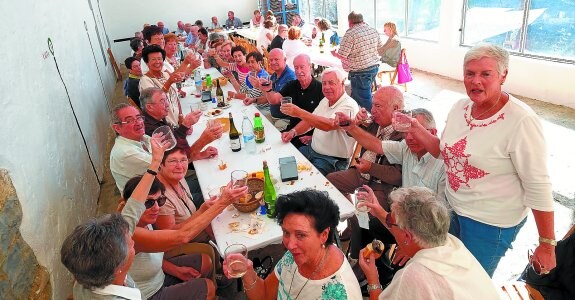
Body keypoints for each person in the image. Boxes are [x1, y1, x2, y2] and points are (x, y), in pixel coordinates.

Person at [408, 43, 556, 276]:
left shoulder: (521, 120)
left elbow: (537, 184)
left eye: (485, 74)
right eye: (470, 73)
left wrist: (547, 243)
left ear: (503, 75)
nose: (476, 81)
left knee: (470, 283)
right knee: (446, 273)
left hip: (490, 223)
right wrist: (416, 129)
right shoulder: (460, 108)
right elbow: (445, 153)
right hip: (452, 208)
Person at [62, 134, 167, 299]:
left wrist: (154, 164)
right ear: (119, 265)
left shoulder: (93, 276)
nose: (132, 239)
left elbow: (132, 210)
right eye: (129, 244)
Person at [358, 186, 500, 299]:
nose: (387, 220)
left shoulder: (415, 275)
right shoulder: (452, 243)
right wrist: (380, 213)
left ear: (407, 236)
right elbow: (401, 230)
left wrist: (373, 278)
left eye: (390, 220)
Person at [120, 175, 248, 300]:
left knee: (206, 262)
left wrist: (176, 270)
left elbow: (155, 252)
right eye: (148, 203)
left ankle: (213, 291)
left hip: (156, 276)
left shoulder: (143, 222)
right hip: (148, 294)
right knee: (207, 287)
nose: (156, 208)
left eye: (160, 201)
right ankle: (211, 293)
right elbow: (182, 236)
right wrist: (222, 203)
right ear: (131, 205)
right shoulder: (131, 232)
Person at [223, 190, 362, 299]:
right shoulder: (296, 255)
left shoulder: (341, 293)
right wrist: (247, 270)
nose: (289, 245)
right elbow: (265, 295)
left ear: (324, 235)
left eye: (301, 235)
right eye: (286, 233)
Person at [326, 86, 404, 257]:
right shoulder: (375, 121)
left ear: (396, 109)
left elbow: (397, 176)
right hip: (361, 173)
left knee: (364, 218)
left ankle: (359, 259)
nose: (372, 110)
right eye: (373, 104)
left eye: (378, 106)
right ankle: (349, 224)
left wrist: (371, 168)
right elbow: (352, 135)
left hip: (381, 185)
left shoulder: (404, 133)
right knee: (329, 182)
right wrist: (355, 123)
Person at [280, 67, 359, 175]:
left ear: (342, 83)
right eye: (324, 83)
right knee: (284, 165)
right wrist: (293, 132)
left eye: (331, 83)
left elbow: (329, 125)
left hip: (331, 161)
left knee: (300, 180)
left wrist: (298, 112)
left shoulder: (349, 105)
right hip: (311, 151)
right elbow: (310, 121)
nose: (326, 87)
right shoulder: (326, 100)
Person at [259, 53, 321, 144]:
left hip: (309, 138)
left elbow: (322, 120)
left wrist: (313, 137)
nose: (299, 71)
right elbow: (274, 100)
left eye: (302, 67)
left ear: (310, 66)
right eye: (296, 68)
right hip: (291, 132)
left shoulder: (320, 89)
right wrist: (268, 90)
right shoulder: (292, 85)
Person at [331, 11, 382, 111]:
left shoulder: (350, 33)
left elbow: (342, 54)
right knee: (356, 96)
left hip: (360, 71)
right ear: (362, 20)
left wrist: (334, 54)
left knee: (364, 99)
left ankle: (374, 120)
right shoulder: (373, 30)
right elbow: (380, 49)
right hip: (374, 67)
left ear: (349, 22)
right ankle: (354, 114)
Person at [249, 48, 296, 129]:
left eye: (276, 59)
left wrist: (260, 87)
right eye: (271, 60)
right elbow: (269, 97)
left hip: (286, 120)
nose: (273, 62)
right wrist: (254, 100)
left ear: (285, 60)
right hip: (274, 116)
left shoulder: (290, 77)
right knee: (255, 126)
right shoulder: (275, 75)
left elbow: (275, 101)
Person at [139, 45, 185, 126]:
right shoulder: (145, 80)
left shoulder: (166, 74)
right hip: (165, 125)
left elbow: (175, 97)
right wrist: (169, 82)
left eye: (159, 59)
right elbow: (156, 100)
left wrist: (181, 116)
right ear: (147, 62)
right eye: (153, 59)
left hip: (177, 120)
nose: (157, 62)